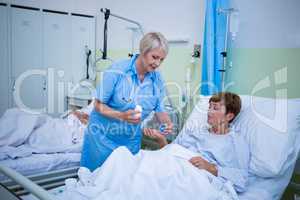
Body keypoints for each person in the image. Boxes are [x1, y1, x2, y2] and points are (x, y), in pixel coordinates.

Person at [80, 32, 173, 171]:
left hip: (130, 141)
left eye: (161, 59)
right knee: (98, 182)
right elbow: (98, 105)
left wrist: (167, 124)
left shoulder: (157, 79)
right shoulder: (117, 71)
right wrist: (121, 115)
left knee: (125, 184)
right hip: (103, 139)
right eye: (154, 57)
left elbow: (160, 110)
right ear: (143, 51)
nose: (157, 63)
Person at [144, 92, 249, 193]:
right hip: (174, 165)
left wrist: (211, 168)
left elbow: (241, 179)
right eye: (209, 107)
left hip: (196, 176)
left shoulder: (236, 141)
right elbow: (171, 152)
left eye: (215, 108)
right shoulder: (195, 131)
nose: (209, 112)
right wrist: (161, 139)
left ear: (229, 116)